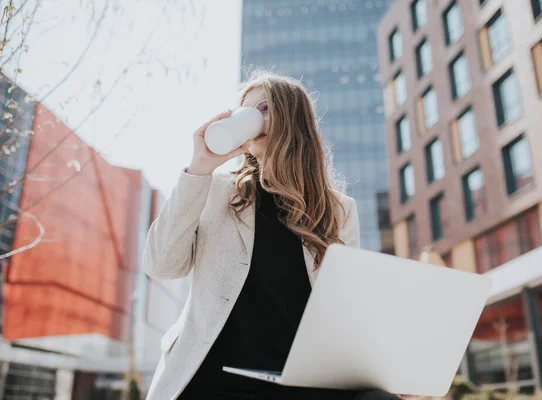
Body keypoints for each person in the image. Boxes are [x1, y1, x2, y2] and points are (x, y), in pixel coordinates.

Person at [144, 71, 405, 400]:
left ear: (293, 118)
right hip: (213, 378)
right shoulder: (212, 188)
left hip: (300, 383)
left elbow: (345, 315)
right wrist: (199, 167)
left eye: (263, 107)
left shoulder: (340, 210)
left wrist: (386, 371)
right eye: (244, 110)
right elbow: (162, 266)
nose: (250, 117)